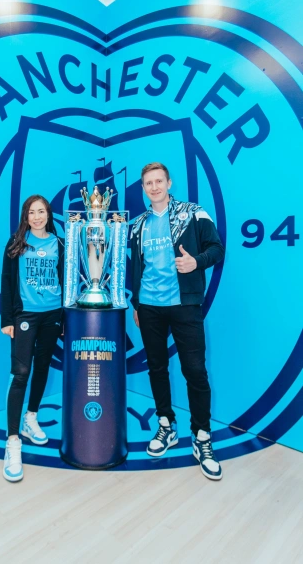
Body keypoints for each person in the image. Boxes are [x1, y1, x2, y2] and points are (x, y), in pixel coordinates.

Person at [131, 162, 225, 480]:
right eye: (149, 183)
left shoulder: (193, 213)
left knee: (195, 371)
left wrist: (196, 262)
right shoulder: (138, 224)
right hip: (149, 308)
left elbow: (217, 249)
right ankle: (166, 425)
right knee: (157, 368)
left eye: (159, 181)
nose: (154, 187)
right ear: (143, 188)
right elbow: (136, 268)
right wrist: (136, 304)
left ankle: (201, 436)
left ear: (169, 183)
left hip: (185, 305)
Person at [0, 195, 64, 482]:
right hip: (25, 315)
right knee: (21, 373)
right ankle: (13, 441)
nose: (37, 217)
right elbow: (6, 282)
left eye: (41, 211)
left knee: (42, 367)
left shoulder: (59, 243)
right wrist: (7, 320)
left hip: (52, 315)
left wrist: (64, 317)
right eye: (31, 212)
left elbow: (66, 280)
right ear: (25, 216)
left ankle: (31, 418)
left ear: (48, 214)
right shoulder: (16, 244)